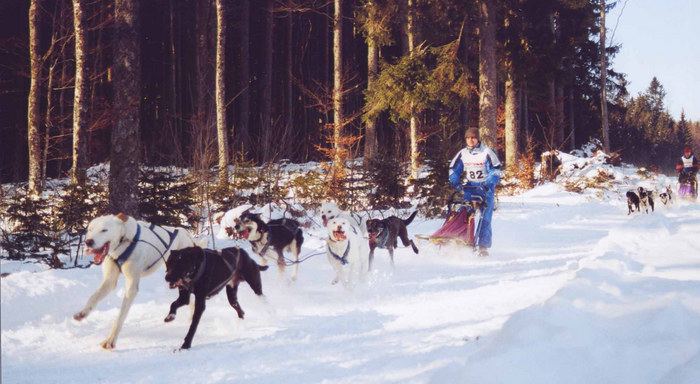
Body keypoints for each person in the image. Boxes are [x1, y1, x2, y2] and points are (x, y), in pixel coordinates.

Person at [449, 127, 502, 256]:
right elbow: (453, 169)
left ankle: (483, 246)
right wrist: (455, 181)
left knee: (485, 217)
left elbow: (495, 170)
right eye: (468, 138)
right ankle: (463, 240)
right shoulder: (463, 153)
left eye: (473, 137)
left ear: (478, 138)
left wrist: (489, 183)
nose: (470, 140)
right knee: (465, 213)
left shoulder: (487, 152)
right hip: (470, 187)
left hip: (485, 188)